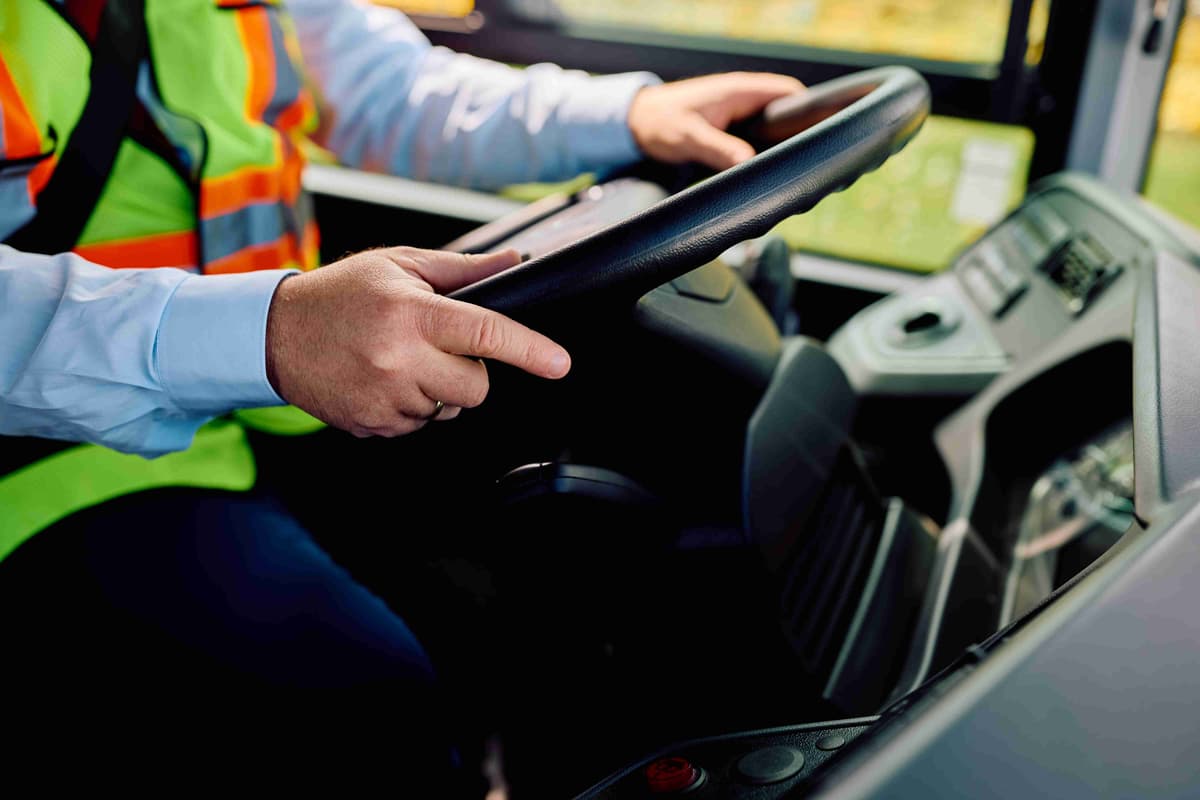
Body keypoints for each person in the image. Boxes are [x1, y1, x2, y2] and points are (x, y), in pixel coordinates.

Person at [0, 0, 802, 787]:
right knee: (360, 695)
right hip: (54, 459)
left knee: (538, 588)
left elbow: (392, 89)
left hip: (266, 408)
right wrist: (267, 332)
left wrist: (631, 112)